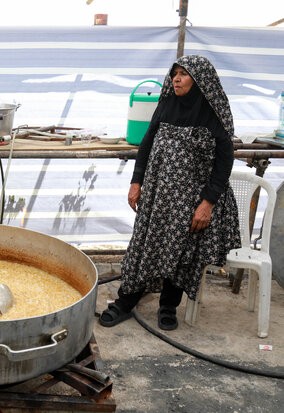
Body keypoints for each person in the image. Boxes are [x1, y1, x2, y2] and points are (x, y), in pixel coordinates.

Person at [99, 55, 241, 330]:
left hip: (191, 201)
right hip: (157, 195)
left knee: (181, 252)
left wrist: (208, 203)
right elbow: (147, 143)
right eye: (174, 73)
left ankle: (168, 306)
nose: (176, 78)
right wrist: (136, 181)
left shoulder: (213, 114)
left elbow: (225, 162)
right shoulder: (166, 104)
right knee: (143, 245)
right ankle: (125, 301)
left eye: (183, 74)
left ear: (201, 81)